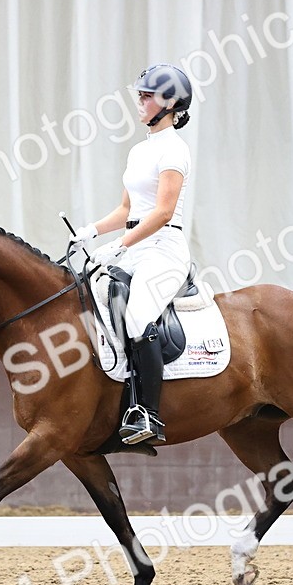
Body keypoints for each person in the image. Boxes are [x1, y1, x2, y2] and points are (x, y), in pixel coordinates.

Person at [73, 63, 194, 445]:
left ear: (170, 103)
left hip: (164, 250)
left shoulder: (174, 150)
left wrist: (119, 245)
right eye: (139, 95)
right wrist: (91, 231)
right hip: (135, 246)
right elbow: (127, 210)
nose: (139, 102)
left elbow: (162, 212)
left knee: (138, 316)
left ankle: (148, 415)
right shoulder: (140, 150)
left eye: (147, 96)